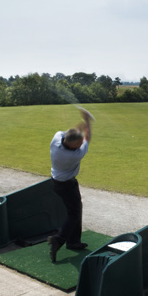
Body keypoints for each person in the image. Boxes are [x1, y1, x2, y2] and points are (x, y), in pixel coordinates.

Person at [48, 107, 93, 261]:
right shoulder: (75, 154)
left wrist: (81, 122)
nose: (81, 144)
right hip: (67, 186)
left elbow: (71, 133)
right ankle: (58, 240)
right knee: (74, 214)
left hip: (55, 182)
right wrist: (87, 121)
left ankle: (74, 241)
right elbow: (87, 138)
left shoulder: (56, 139)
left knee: (76, 210)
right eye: (79, 143)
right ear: (74, 145)